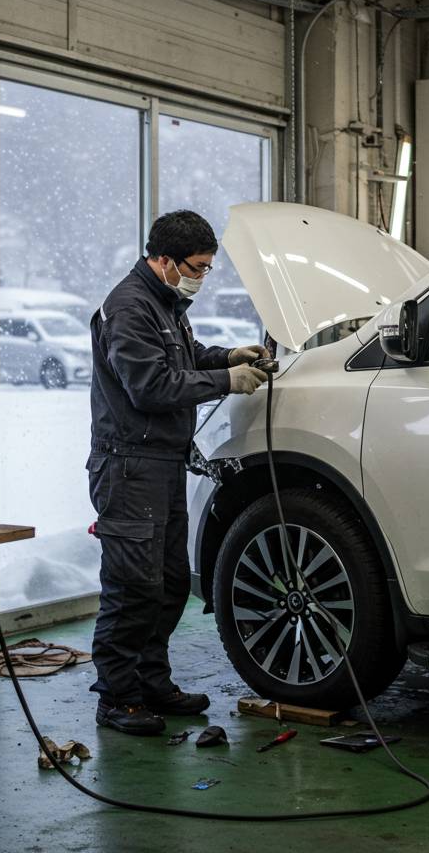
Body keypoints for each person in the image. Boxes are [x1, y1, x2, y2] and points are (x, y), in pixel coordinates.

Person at [87, 209, 269, 735]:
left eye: (209, 268)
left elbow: (186, 358)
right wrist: (226, 382)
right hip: (128, 467)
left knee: (167, 584)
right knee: (131, 586)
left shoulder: (165, 302)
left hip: (161, 464)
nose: (201, 277)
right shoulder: (127, 307)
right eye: (197, 266)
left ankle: (152, 682)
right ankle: (118, 698)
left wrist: (228, 356)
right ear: (163, 259)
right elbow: (151, 386)